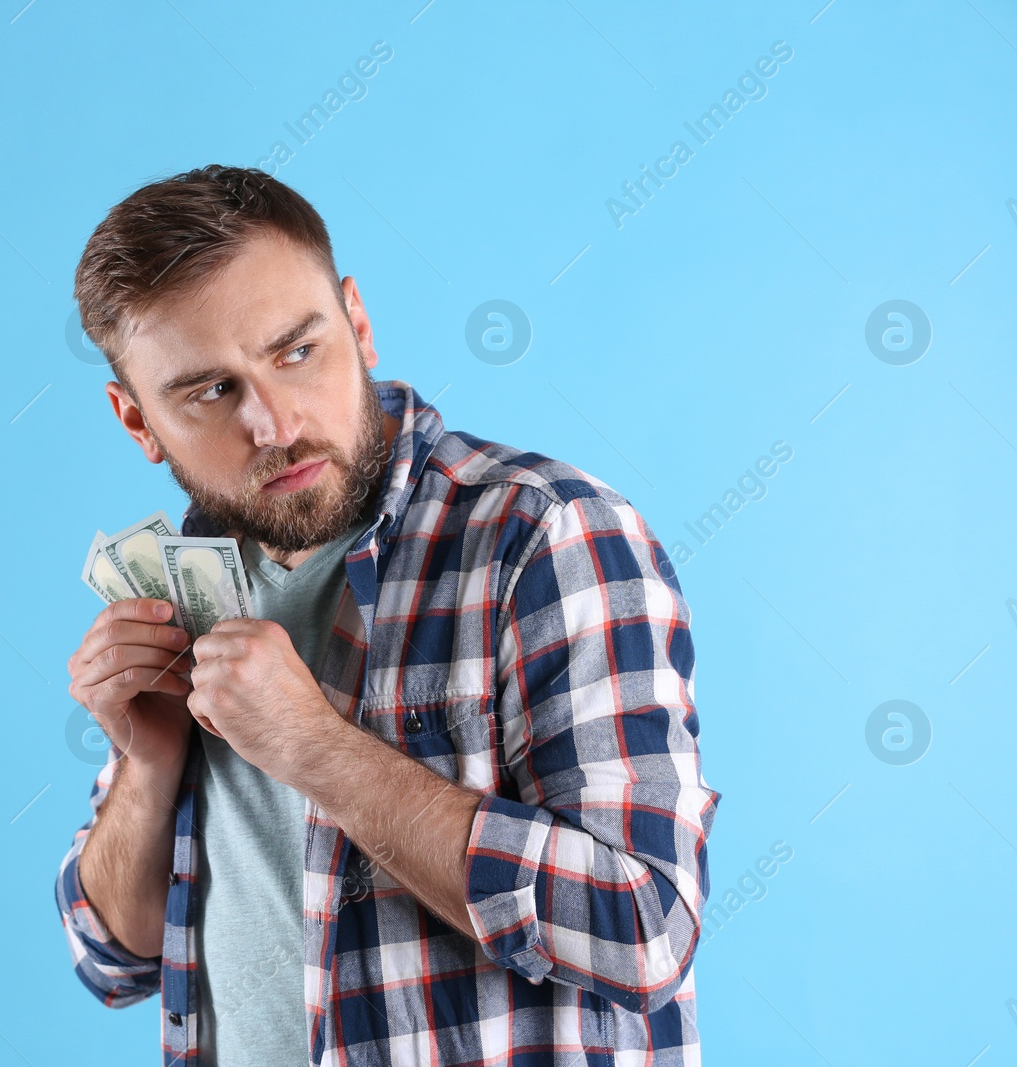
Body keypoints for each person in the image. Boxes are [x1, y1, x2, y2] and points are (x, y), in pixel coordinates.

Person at [55, 164, 721, 1066]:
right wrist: (150, 762)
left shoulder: (540, 535)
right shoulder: (185, 587)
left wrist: (316, 749)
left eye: (297, 350)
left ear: (358, 323)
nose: (274, 422)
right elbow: (114, 957)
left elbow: (644, 928)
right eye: (210, 392)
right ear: (138, 422)